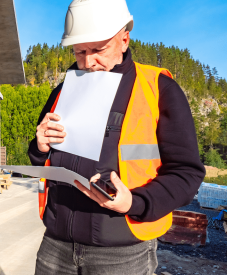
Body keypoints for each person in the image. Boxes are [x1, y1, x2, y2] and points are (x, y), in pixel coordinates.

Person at [28, 0, 205, 274]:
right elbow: (42, 159)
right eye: (79, 51)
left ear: (124, 39)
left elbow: (187, 173)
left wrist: (135, 203)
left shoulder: (159, 89)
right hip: (56, 245)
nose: (88, 62)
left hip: (123, 255)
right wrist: (39, 147)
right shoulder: (63, 91)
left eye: (98, 49)